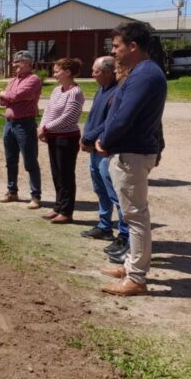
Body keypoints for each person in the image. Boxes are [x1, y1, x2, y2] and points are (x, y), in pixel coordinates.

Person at [97, 22, 167, 296]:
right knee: (132, 214)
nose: (113, 52)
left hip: (132, 154)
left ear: (133, 46)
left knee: (135, 217)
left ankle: (136, 278)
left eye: (117, 46)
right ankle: (130, 266)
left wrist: (104, 140)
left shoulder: (145, 75)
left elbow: (124, 117)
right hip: (131, 152)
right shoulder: (142, 73)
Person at [79, 57, 129, 259]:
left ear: (108, 72)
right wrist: (86, 136)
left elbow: (109, 122)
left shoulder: (117, 92)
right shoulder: (101, 90)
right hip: (93, 148)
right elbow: (93, 118)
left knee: (115, 193)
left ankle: (124, 235)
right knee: (100, 189)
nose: (92, 74)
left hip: (104, 149)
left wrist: (89, 137)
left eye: (96, 71)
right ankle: (104, 226)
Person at [38, 57, 85, 224]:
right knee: (56, 174)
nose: (54, 74)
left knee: (66, 175)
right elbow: (48, 110)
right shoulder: (57, 90)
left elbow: (68, 118)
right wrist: (42, 127)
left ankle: (66, 211)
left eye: (57, 71)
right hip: (53, 137)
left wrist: (46, 128)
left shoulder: (75, 92)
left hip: (67, 139)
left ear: (68, 72)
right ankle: (58, 207)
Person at [0, 51, 43, 207]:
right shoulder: (13, 80)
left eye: (18, 61)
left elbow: (16, 96)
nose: (14, 64)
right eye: (14, 61)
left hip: (25, 124)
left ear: (28, 63)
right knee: (10, 160)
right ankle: (12, 192)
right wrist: (7, 96)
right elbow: (3, 102)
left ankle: (35, 196)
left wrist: (5, 94)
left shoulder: (34, 80)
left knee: (30, 161)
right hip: (9, 124)